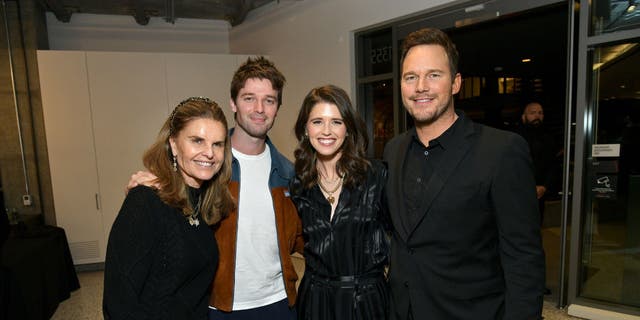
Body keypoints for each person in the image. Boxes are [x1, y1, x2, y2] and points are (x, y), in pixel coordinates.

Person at [383, 28, 545, 319]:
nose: (421, 86)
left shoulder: (501, 151)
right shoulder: (393, 151)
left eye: (434, 75)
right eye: (410, 77)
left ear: (456, 83)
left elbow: (523, 258)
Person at [127, 56, 304, 320]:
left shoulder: (288, 173)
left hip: (279, 303)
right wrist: (157, 183)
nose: (259, 108)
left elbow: (304, 237)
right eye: (248, 98)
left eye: (269, 100)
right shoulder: (208, 166)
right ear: (233, 102)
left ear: (278, 107)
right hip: (218, 306)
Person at [103, 97, 235, 319]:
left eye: (217, 144)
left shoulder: (204, 202)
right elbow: (118, 304)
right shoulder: (145, 201)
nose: (209, 153)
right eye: (197, 140)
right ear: (173, 144)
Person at [289, 85, 389, 319]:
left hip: (368, 301)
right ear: (305, 128)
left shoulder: (376, 176)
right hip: (316, 302)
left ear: (348, 129)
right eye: (317, 122)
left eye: (336, 121)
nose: (327, 131)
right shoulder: (298, 184)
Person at [514, 102, 558, 221]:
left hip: (540, 193)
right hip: (517, 193)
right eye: (532, 113)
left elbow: (553, 165)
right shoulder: (514, 139)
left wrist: (544, 186)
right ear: (524, 117)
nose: (537, 116)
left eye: (540, 113)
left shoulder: (549, 139)